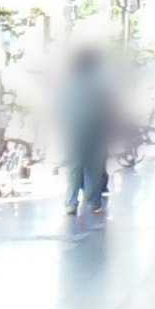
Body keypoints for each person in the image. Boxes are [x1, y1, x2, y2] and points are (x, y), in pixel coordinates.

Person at [59, 39, 119, 219]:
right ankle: (93, 202)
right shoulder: (100, 80)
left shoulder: (67, 82)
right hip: (96, 125)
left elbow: (58, 106)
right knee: (94, 165)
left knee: (73, 165)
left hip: (73, 127)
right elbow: (109, 104)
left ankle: (70, 203)